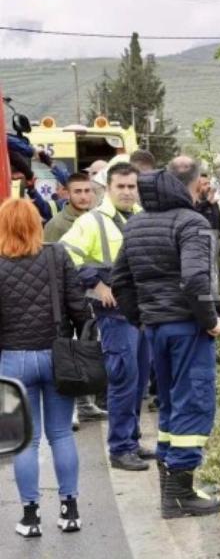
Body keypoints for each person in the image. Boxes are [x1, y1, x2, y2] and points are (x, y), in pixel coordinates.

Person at [112, 156, 220, 519]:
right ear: (191, 184)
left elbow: (120, 281)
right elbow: (194, 279)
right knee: (193, 403)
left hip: (156, 329)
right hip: (187, 327)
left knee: (172, 405)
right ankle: (179, 495)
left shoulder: (135, 224)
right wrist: (211, 320)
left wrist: (141, 319)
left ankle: (174, 489)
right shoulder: (192, 222)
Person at [0, 199, 91, 537]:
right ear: (36, 224)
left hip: (12, 360)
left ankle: (30, 517)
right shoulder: (57, 256)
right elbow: (79, 309)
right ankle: (70, 511)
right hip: (57, 356)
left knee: (26, 440)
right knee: (61, 434)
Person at [61, 163, 153, 471]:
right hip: (114, 314)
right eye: (120, 187)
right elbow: (65, 254)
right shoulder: (92, 221)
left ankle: (132, 440)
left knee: (139, 379)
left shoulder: (142, 217)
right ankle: (120, 448)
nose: (127, 192)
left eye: (131, 186)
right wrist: (97, 284)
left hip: (142, 311)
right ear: (109, 189)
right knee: (124, 377)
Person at [43, 173, 108, 428]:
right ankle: (71, 410)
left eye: (87, 190)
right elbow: (48, 265)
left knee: (89, 349)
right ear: (67, 194)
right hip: (68, 299)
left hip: (95, 295)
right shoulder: (57, 225)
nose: (83, 196)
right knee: (70, 353)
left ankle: (86, 404)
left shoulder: (99, 219)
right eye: (77, 191)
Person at [195, 167, 220, 243]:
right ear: (196, 187)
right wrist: (207, 203)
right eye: (205, 184)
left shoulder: (213, 203)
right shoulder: (192, 203)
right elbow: (195, 213)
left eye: (209, 183)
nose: (209, 186)